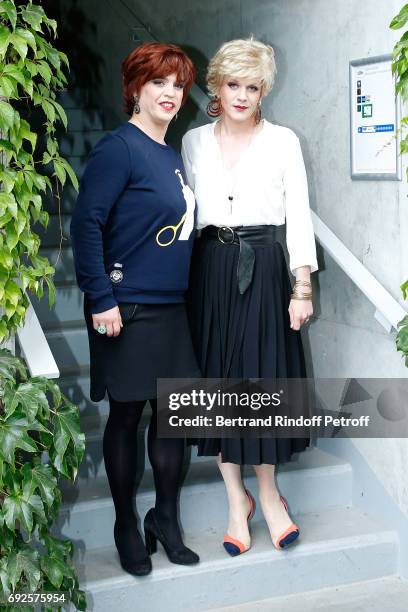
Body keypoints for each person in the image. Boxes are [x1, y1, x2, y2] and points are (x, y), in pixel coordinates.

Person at [181, 37, 318, 556]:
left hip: (263, 268)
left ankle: (269, 493)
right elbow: (181, 216)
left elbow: (299, 217)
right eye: (233, 84)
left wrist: (301, 287)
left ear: (264, 91)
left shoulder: (283, 141)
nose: (242, 95)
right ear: (215, 86)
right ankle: (235, 498)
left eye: (253, 86)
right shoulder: (192, 142)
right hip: (209, 270)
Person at [70, 42, 201, 576]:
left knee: (172, 420)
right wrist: (101, 297)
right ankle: (126, 522)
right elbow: (85, 225)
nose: (170, 93)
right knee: (126, 416)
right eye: (159, 83)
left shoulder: (171, 156)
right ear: (135, 88)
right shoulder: (118, 149)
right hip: (124, 306)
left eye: (177, 84)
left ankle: (164, 519)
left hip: (171, 307)